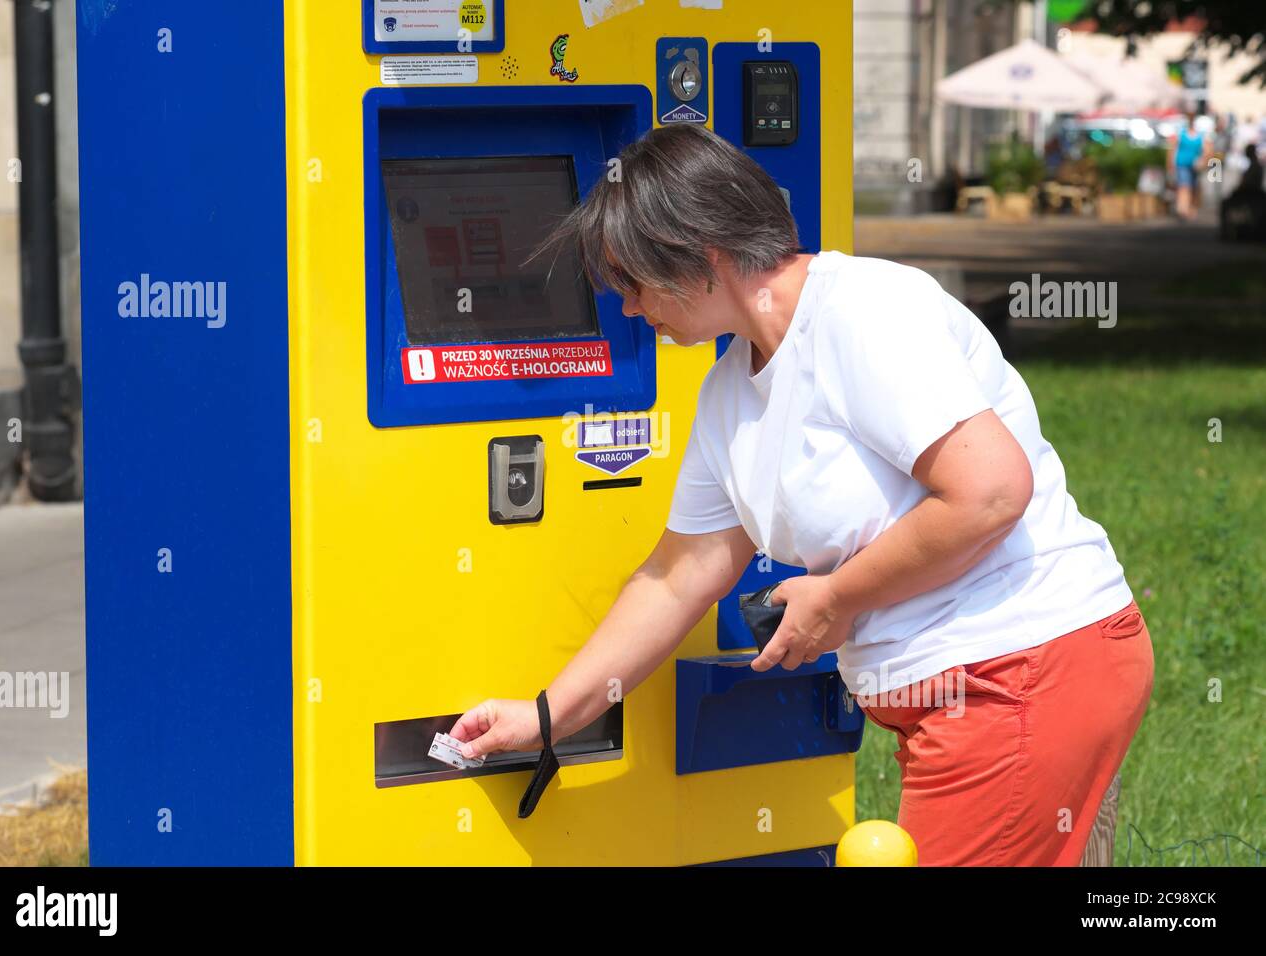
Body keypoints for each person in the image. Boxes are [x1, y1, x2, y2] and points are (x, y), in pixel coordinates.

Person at [450, 124, 1154, 866]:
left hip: (1020, 668)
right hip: (970, 689)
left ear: (699, 254)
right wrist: (547, 716)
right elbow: (677, 576)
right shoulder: (730, 391)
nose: (627, 308)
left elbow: (990, 493)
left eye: (632, 282)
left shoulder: (861, 312)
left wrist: (838, 596)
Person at [1169, 107, 1213, 220]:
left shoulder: (1201, 135)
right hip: (1182, 163)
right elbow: (1173, 149)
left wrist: (1204, 161)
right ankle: (1182, 208)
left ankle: (1189, 208)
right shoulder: (1181, 133)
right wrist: (1170, 163)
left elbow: (1208, 150)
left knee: (1193, 187)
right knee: (1184, 186)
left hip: (1195, 166)